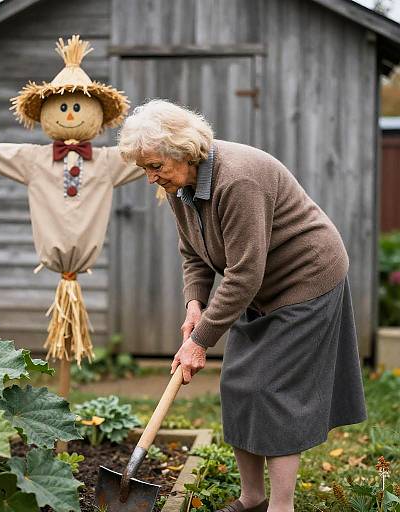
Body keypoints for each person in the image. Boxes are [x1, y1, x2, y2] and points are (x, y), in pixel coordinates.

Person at [117, 99, 367, 512]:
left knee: (273, 391)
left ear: (183, 151)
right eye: (144, 168)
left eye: (155, 166)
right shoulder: (179, 188)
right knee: (238, 385)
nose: (150, 178)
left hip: (305, 278)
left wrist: (200, 342)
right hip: (257, 286)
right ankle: (252, 498)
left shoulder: (237, 180)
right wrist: (194, 306)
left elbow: (244, 274)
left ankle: (281, 506)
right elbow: (194, 253)